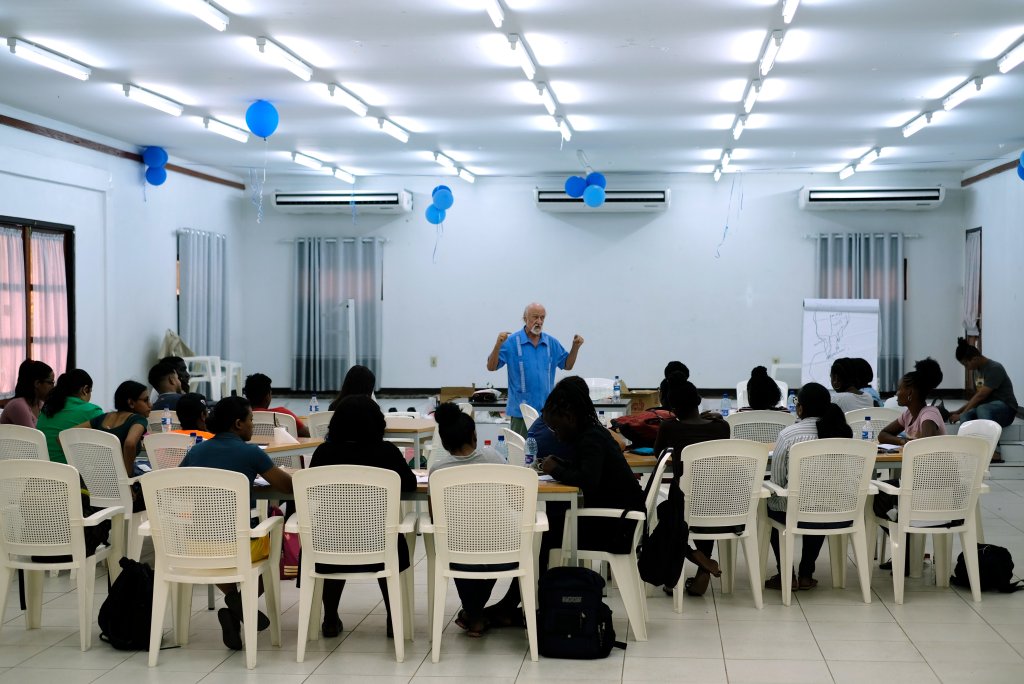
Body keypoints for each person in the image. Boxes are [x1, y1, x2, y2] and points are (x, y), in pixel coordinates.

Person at [487, 377, 644, 625]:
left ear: (569, 417)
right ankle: (525, 604)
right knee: (545, 529)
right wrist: (560, 464)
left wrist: (557, 470)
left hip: (617, 527)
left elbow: (588, 480)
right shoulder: (592, 433)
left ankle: (517, 605)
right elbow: (587, 471)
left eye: (556, 429)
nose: (557, 436)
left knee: (541, 536)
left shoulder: (591, 438)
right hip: (619, 520)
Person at [179, 395, 293, 650]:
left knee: (219, 551)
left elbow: (177, 483)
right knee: (274, 552)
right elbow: (286, 486)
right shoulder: (250, 452)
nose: (253, 424)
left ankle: (234, 603)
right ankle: (238, 604)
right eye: (251, 419)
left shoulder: (196, 451)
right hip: (237, 546)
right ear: (238, 424)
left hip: (194, 544)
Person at [307, 395, 416, 639]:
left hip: (329, 542)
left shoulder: (324, 453)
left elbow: (312, 490)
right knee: (390, 543)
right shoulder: (386, 452)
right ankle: (393, 619)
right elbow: (409, 484)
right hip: (377, 538)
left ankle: (330, 618)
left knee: (334, 546)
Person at [428, 402, 507, 637]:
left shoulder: (438, 471)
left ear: (444, 443)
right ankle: (475, 615)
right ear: (474, 435)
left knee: (459, 544)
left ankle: (474, 615)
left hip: (457, 552)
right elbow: (513, 499)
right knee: (489, 545)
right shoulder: (493, 457)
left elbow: (435, 517)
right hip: (503, 551)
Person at [765, 383, 853, 591]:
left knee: (770, 504)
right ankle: (806, 574)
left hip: (794, 511)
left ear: (800, 408)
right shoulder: (843, 433)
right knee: (819, 501)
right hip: (839, 509)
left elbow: (778, 480)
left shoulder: (789, 435)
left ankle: (786, 575)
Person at [651, 373, 729, 595]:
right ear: (698, 401)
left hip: (684, 503)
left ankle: (695, 556)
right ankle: (703, 569)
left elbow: (658, 454)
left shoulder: (669, 427)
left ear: (672, 408)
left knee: (666, 513)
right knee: (703, 506)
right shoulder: (721, 427)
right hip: (721, 503)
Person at [486, 302, 583, 437]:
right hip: (521, 413)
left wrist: (575, 347)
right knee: (521, 448)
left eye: (542, 318)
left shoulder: (550, 343)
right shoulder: (511, 342)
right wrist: (498, 345)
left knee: (545, 449)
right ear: (525, 318)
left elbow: (567, 365)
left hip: (546, 413)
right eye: (535, 317)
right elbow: (491, 367)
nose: (539, 321)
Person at [36, 369, 104, 463]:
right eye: (90, 391)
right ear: (85, 390)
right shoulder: (93, 411)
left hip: (44, 469)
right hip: (74, 471)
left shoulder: (46, 410)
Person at [87, 380, 151, 477]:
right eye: (146, 400)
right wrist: (128, 476)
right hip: (120, 480)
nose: (150, 405)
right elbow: (130, 444)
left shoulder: (103, 418)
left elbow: (66, 434)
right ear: (131, 403)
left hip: (96, 477)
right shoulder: (138, 419)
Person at [949, 338, 1018, 427]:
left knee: (982, 409)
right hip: (988, 408)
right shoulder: (976, 371)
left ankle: (989, 436)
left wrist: (961, 414)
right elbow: (976, 397)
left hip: (1007, 410)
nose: (967, 368)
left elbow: (981, 395)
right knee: (966, 416)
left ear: (975, 359)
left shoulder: (995, 368)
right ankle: (969, 436)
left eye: (966, 364)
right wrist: (958, 412)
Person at [878, 359, 946, 445]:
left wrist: (907, 443)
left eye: (899, 389)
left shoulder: (929, 415)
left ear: (910, 393)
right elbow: (882, 435)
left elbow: (925, 446)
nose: (897, 393)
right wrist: (902, 441)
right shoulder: (908, 415)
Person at [242, 372, 310, 437]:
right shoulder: (283, 414)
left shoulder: (241, 417)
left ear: (247, 396)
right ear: (267, 396)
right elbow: (307, 433)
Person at [0, 360, 54, 427]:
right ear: (37, 383)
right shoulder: (18, 406)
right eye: (50, 383)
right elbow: (34, 433)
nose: (53, 387)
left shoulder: (40, 404)